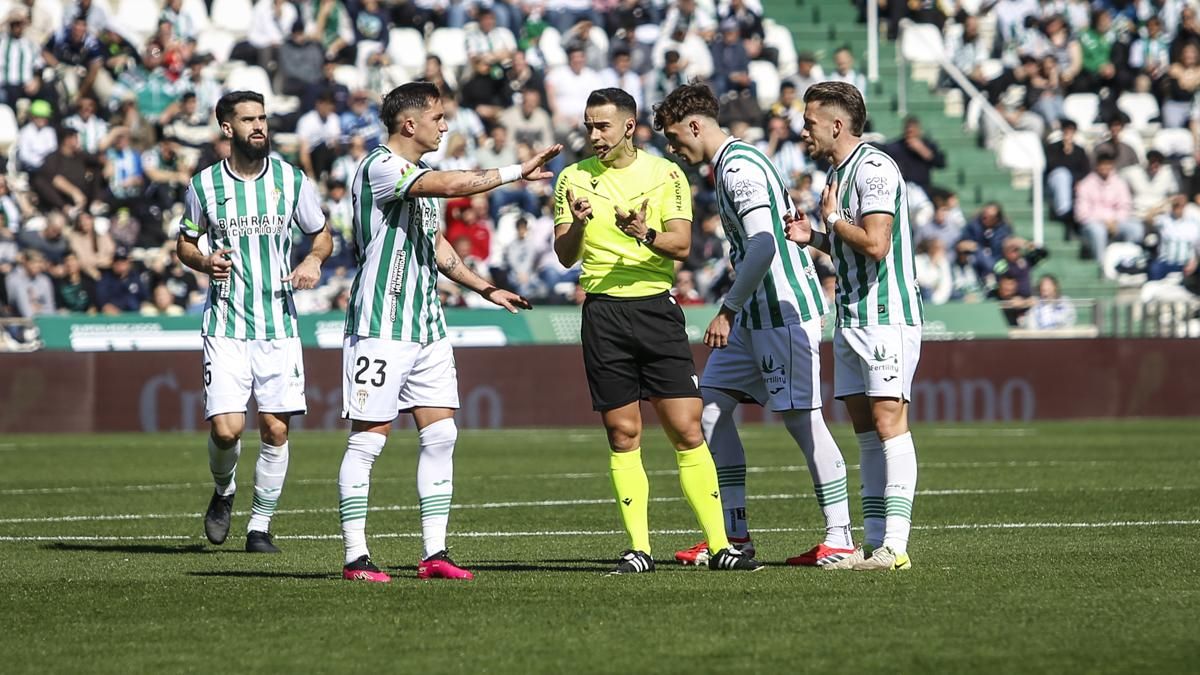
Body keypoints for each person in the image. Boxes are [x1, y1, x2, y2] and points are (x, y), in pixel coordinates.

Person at [336, 81, 555, 583]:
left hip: (427, 324)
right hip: (382, 323)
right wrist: (516, 171)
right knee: (369, 440)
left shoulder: (420, 176)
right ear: (409, 124)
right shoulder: (380, 167)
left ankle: (434, 553)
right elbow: (456, 186)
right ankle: (355, 556)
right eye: (438, 117)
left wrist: (484, 288)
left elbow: (437, 248)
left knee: (441, 434)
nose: (445, 125)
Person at [554, 87, 762, 574]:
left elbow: (681, 245)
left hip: (655, 310)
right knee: (623, 433)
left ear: (628, 126)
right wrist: (581, 226)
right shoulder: (572, 178)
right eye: (588, 125)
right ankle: (638, 549)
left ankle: (719, 547)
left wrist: (642, 233)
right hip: (603, 312)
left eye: (602, 125)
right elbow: (566, 256)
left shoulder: (666, 173)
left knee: (688, 428)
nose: (593, 134)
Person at [653, 82, 853, 568]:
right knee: (711, 411)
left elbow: (763, 244)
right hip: (755, 313)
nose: (675, 150)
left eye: (677, 138)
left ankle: (841, 536)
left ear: (696, 125)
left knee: (802, 420)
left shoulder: (738, 168)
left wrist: (727, 309)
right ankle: (733, 534)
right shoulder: (734, 161)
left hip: (779, 311)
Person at [176, 91, 333, 555]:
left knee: (275, 429)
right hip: (225, 323)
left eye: (263, 117)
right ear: (227, 128)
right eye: (248, 119)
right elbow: (184, 244)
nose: (259, 126)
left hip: (278, 325)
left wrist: (313, 261)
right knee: (226, 429)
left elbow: (320, 234)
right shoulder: (204, 185)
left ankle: (260, 526)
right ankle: (224, 492)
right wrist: (204, 262)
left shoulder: (291, 179)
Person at [786, 81, 923, 572]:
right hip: (850, 317)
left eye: (810, 122)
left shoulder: (875, 167)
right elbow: (849, 239)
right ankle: (872, 544)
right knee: (865, 430)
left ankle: (896, 545)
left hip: (886, 318)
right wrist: (815, 236)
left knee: (889, 422)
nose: (803, 130)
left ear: (837, 125)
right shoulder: (840, 174)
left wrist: (831, 220)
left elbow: (877, 243)